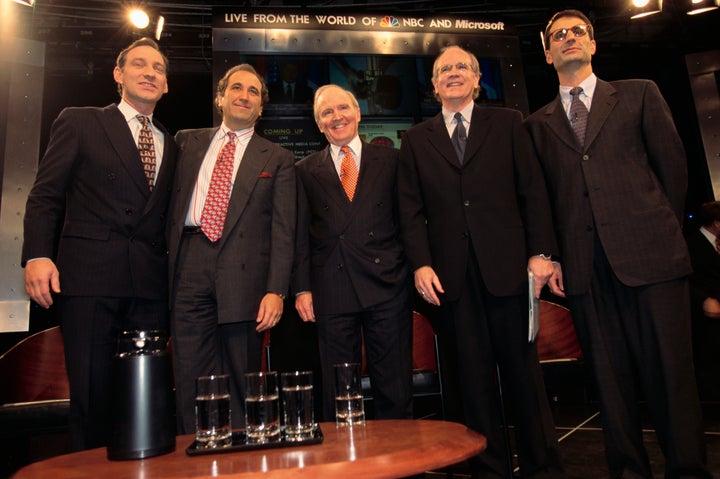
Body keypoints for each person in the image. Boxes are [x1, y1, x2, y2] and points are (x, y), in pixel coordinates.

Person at [525, 9, 711, 478]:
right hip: (586, 271)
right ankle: (629, 471)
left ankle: (688, 470)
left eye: (577, 32)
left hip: (653, 261)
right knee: (610, 385)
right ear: (547, 54)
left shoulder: (639, 94)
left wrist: (653, 229)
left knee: (672, 378)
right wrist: (553, 254)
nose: (569, 38)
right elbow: (543, 200)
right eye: (558, 36)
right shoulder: (537, 124)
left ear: (593, 44)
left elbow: (672, 172)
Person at [398, 45, 563, 478]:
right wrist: (420, 263)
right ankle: (488, 470)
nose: (452, 74)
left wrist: (542, 253)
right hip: (451, 278)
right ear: (433, 86)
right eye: (443, 70)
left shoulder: (508, 122)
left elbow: (533, 190)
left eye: (461, 68)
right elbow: (410, 210)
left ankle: (542, 467)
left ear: (476, 80)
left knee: (525, 380)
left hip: (510, 270)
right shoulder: (416, 139)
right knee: (471, 384)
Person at [22, 37, 176, 451]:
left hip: (149, 288)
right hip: (90, 280)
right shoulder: (80, 120)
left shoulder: (172, 143)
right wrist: (37, 254)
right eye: (140, 65)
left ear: (166, 85)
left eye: (158, 69)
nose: (149, 73)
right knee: (91, 398)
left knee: (145, 401)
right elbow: (45, 195)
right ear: (118, 74)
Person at [167, 64, 295, 434]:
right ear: (220, 97)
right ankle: (194, 461)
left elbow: (283, 231)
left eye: (253, 92)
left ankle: (243, 462)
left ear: (261, 107)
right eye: (236, 88)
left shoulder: (278, 158)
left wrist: (276, 290)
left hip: (247, 277)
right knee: (190, 377)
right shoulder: (185, 142)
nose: (244, 95)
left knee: (243, 378)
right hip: (189, 267)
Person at [294, 84, 413, 421]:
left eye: (342, 108)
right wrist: (302, 288)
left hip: (387, 285)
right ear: (318, 124)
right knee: (339, 391)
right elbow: (300, 235)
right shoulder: (303, 170)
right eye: (326, 113)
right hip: (331, 290)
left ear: (358, 113)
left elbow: (409, 222)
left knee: (395, 386)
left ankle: (399, 467)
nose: (337, 117)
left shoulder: (392, 159)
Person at [686, 201, 720, 399]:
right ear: (716, 223)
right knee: (709, 360)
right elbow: (686, 280)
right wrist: (704, 300)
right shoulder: (691, 244)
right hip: (704, 314)